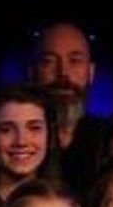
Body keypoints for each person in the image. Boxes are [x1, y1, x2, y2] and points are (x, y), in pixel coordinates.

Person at [29, 20, 108, 186]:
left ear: (91, 72)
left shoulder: (109, 137)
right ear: (32, 72)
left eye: (75, 61)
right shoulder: (11, 140)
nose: (63, 73)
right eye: (49, 61)